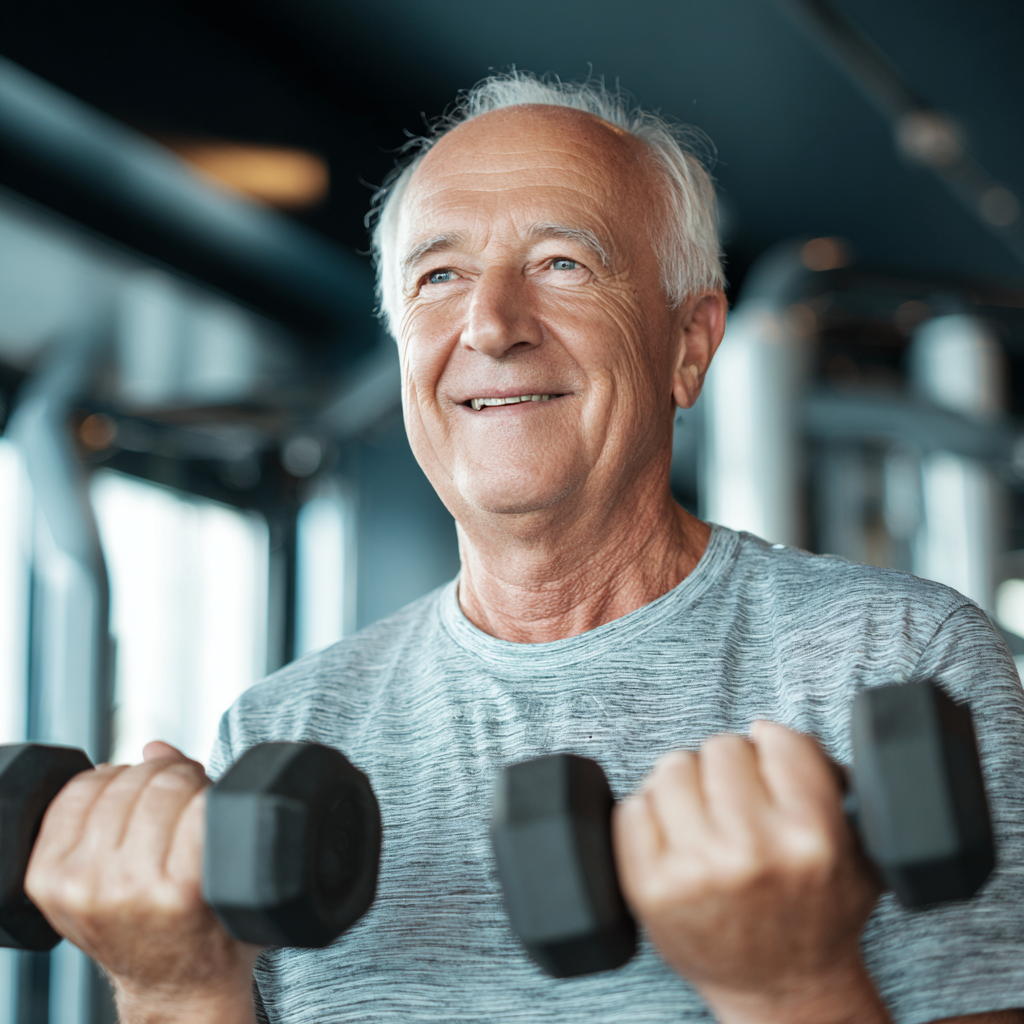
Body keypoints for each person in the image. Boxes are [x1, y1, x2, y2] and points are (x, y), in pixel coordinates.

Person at [25, 72, 1024, 1024]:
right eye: (440, 275)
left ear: (687, 342)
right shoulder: (289, 724)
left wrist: (788, 982)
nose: (492, 324)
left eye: (561, 264)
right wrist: (173, 989)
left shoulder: (898, 659)